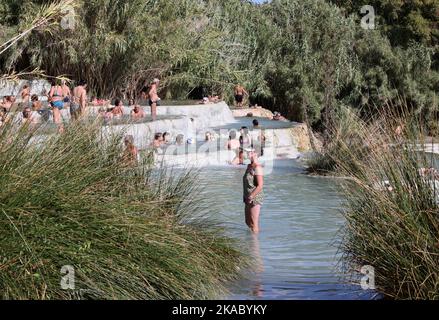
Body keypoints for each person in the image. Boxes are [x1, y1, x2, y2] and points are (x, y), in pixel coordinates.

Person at [243, 148, 264, 234]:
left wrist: (251, 196)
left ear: (255, 154)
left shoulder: (257, 167)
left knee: (254, 224)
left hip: (255, 197)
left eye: (250, 152)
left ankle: (255, 245)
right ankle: (251, 242)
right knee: (248, 222)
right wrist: (246, 196)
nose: (247, 153)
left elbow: (260, 185)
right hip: (247, 197)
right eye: (247, 152)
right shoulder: (249, 166)